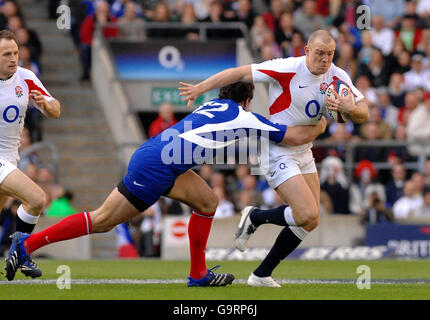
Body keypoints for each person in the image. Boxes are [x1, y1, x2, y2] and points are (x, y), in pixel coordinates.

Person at [4, 81, 327, 284]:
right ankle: (27, 244)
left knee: (207, 201)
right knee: (102, 220)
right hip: (156, 168)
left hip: (162, 159)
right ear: (247, 100)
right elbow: (292, 136)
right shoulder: (242, 115)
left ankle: (198, 273)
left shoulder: (211, 105)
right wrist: (320, 125)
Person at [179, 29, 369, 287]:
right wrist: (201, 88)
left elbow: (364, 112)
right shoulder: (287, 68)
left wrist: (351, 108)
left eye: (330, 54)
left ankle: (260, 274)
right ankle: (256, 217)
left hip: (304, 149)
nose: (325, 59)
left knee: (312, 220)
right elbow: (240, 73)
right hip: (277, 148)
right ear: (307, 51)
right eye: (320, 53)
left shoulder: (337, 75)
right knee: (305, 213)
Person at [0, 30, 60, 278]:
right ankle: (21, 253)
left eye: (15, 52)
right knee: (37, 198)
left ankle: (19, 253)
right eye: (6, 54)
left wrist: (45, 104)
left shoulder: (26, 77)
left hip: (10, 160)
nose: (14, 58)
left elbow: (56, 110)